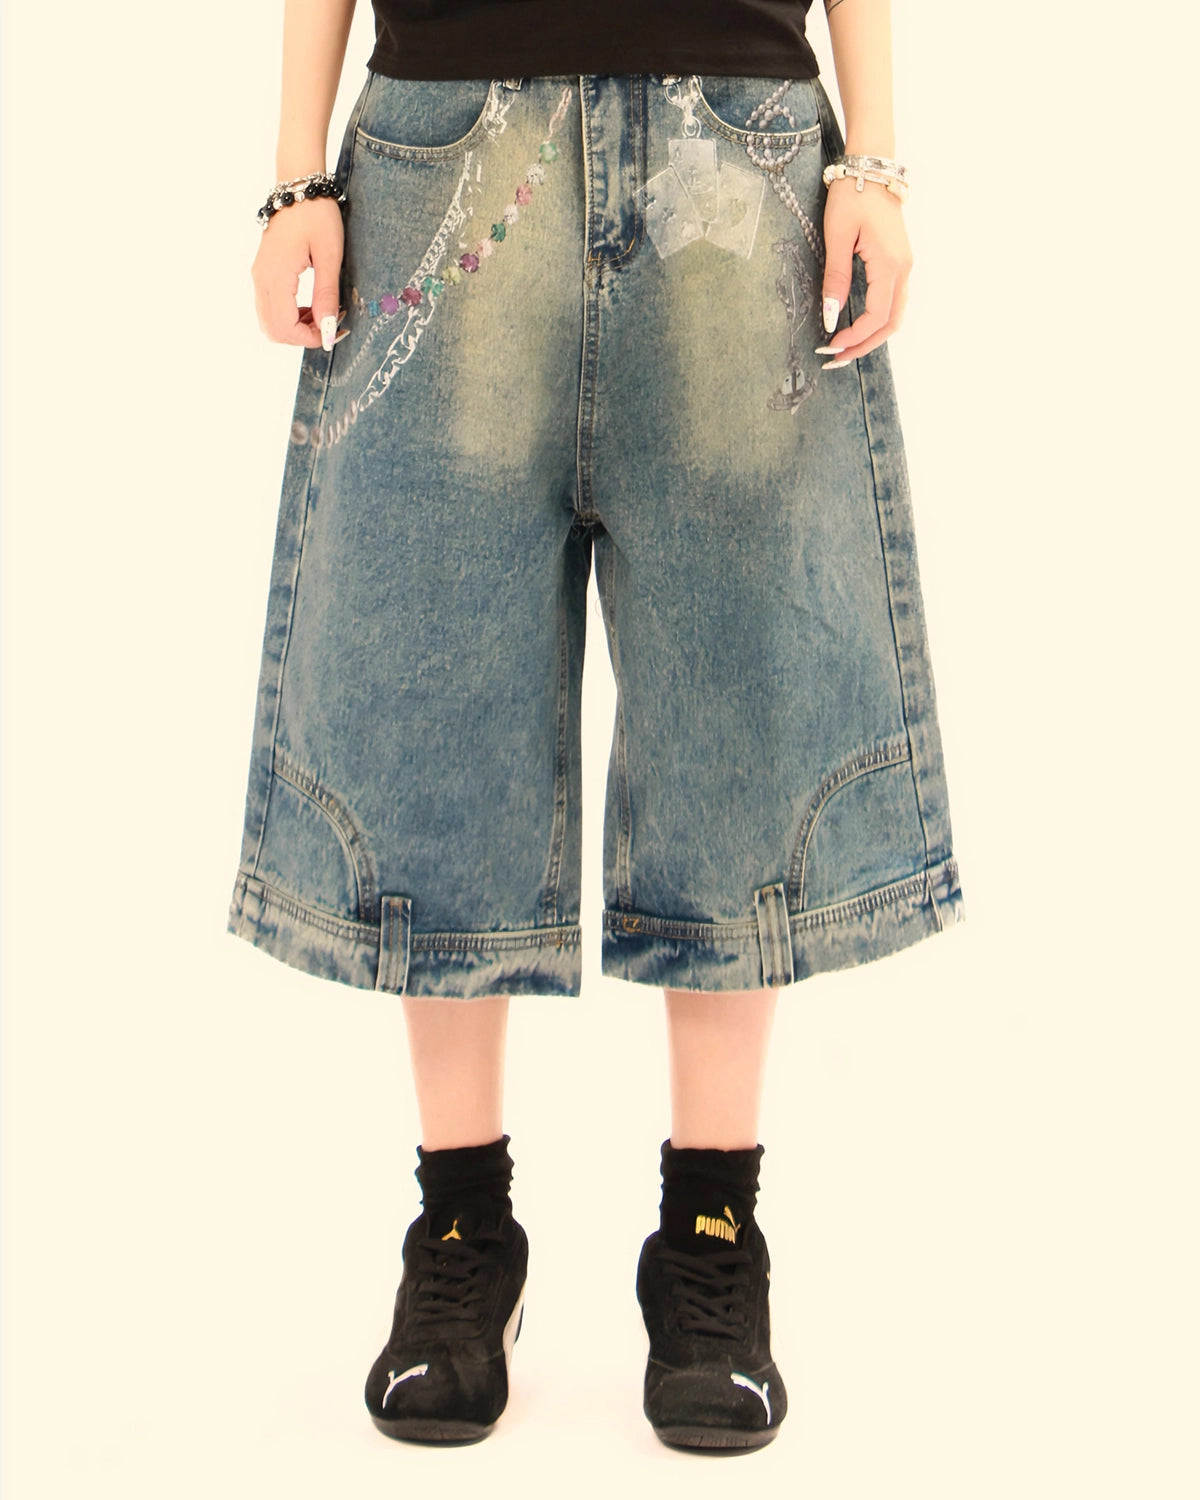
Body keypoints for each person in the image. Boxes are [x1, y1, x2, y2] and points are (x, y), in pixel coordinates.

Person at [229, 0, 962, 1453]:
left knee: (740, 699)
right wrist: (297, 173)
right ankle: (461, 1231)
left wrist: (874, 160)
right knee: (432, 697)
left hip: (734, 135)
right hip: (442, 138)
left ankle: (711, 1230)